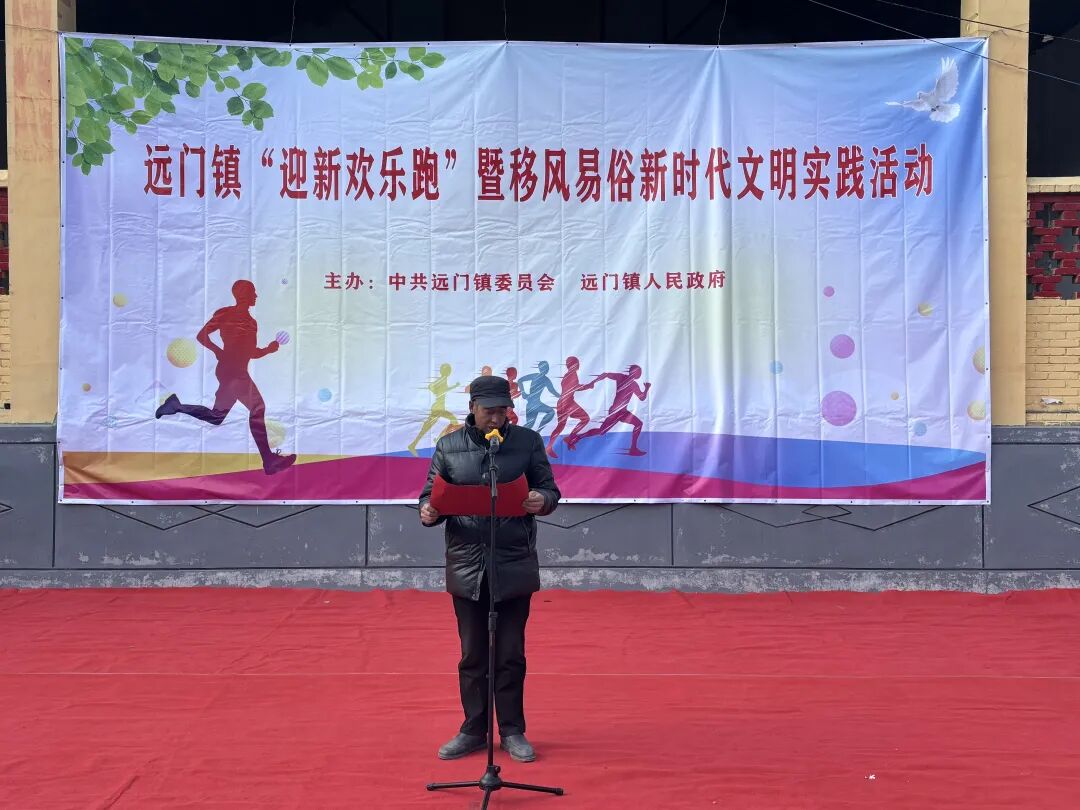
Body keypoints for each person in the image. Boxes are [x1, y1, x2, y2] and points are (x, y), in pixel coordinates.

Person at [419, 375, 561, 764]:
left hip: (513, 562)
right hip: (467, 563)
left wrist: (541, 499)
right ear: (472, 409)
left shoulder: (527, 442)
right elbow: (430, 494)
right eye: (489, 412)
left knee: (511, 653)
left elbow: (551, 490)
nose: (497, 419)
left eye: (503, 411)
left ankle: (512, 730)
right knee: (473, 654)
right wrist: (427, 510)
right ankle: (473, 729)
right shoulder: (448, 446)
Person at [155, 280, 295, 475]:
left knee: (217, 417)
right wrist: (217, 351)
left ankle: (176, 406)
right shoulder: (225, 313)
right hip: (231, 371)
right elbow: (202, 335)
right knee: (257, 407)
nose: (256, 296)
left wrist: (268, 349)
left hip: (236, 370)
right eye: (253, 292)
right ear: (243, 294)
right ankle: (269, 460)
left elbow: (250, 352)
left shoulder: (252, 323)